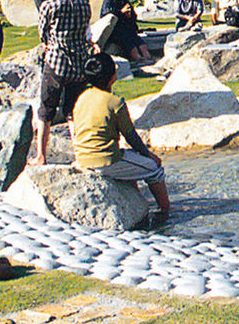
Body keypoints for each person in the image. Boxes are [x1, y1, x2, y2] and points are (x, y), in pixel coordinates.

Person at [72, 51, 169, 219]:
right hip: (105, 159)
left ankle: (137, 207)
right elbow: (131, 136)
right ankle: (165, 211)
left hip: (82, 157)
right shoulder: (115, 102)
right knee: (153, 169)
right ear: (112, 77)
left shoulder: (82, 97)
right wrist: (150, 156)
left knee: (132, 163)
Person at [35, 0, 91, 165]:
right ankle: (80, 154)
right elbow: (85, 31)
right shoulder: (84, 4)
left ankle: (41, 155)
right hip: (79, 64)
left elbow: (43, 34)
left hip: (56, 63)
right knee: (73, 111)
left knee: (46, 110)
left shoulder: (49, 6)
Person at [98, 0, 148, 64]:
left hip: (127, 29)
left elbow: (133, 16)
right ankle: (138, 59)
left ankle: (147, 57)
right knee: (130, 45)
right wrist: (121, 12)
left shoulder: (124, 1)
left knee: (141, 43)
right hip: (116, 31)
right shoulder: (108, 3)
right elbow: (107, 17)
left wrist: (130, 16)